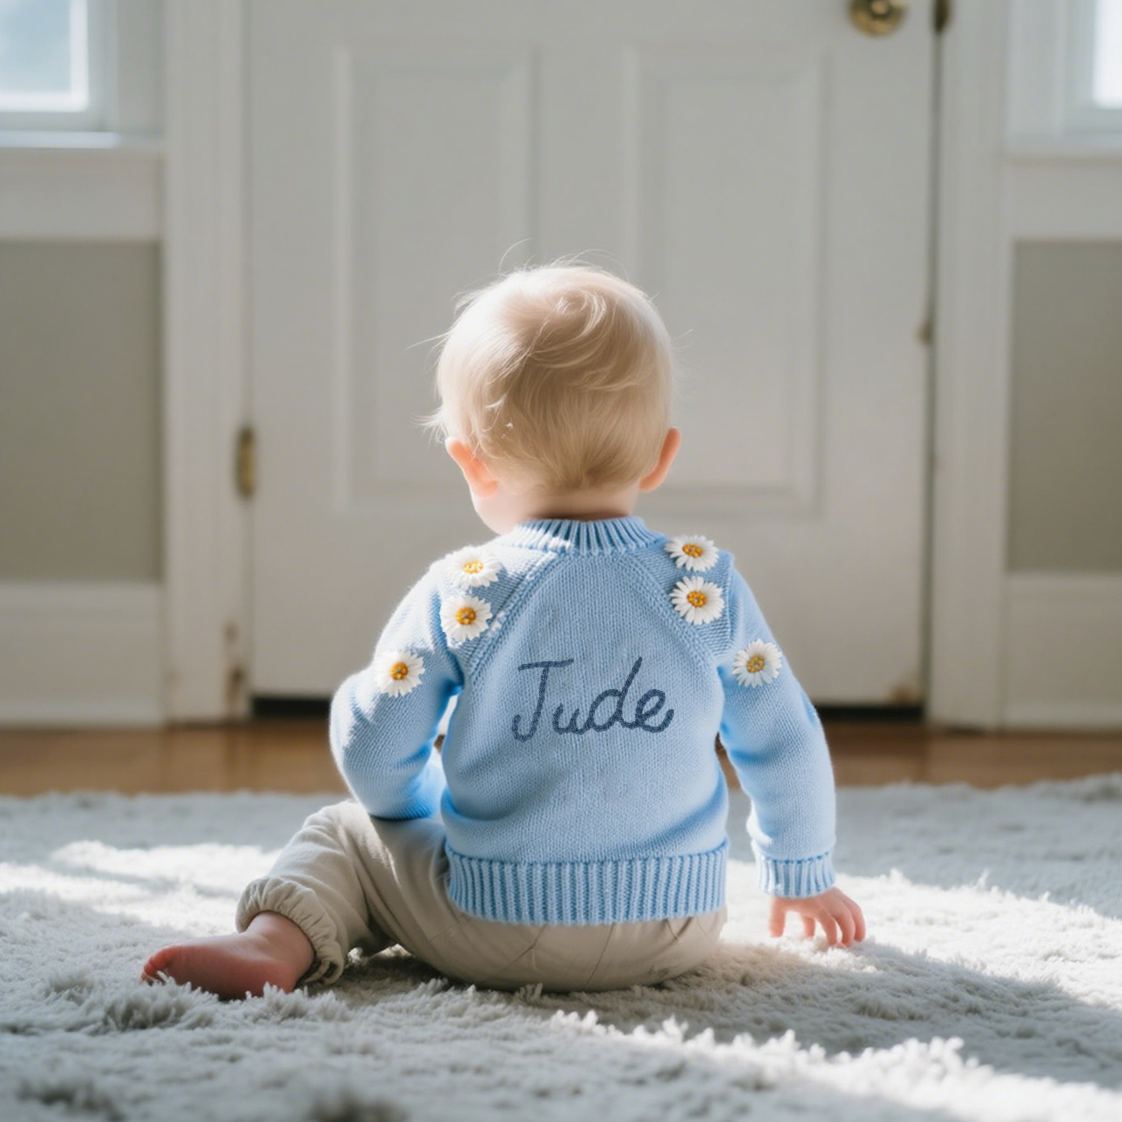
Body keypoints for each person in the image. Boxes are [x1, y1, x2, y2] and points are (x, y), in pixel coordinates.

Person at [142, 262, 865, 998]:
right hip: (677, 927)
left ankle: (274, 942)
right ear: (662, 455)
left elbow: (374, 745)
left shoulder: (465, 591)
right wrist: (801, 874)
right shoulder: (703, 586)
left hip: (491, 925)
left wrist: (407, 813)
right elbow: (785, 736)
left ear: (471, 463)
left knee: (345, 836)